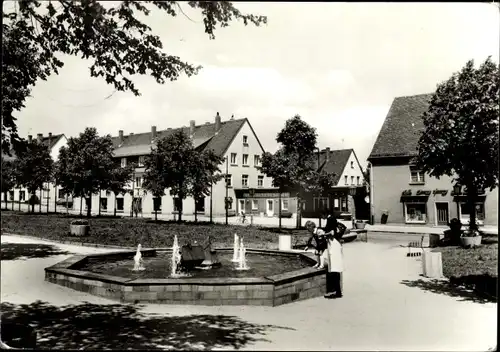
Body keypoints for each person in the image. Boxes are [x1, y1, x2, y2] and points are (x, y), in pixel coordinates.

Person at [322, 211, 344, 299]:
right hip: (336, 248)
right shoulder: (335, 230)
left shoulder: (332, 231)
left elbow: (329, 233)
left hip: (334, 250)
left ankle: (336, 291)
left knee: (334, 270)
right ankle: (338, 291)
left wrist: (323, 234)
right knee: (336, 270)